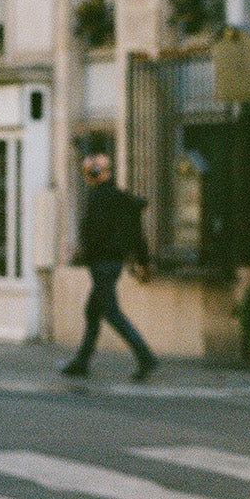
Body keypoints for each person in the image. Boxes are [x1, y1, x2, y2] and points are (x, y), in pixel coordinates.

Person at [61, 153, 158, 382]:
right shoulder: (119, 198)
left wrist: (87, 255)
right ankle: (82, 362)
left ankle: (145, 357)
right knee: (92, 311)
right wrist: (144, 262)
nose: (86, 176)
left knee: (111, 313)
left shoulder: (101, 197)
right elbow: (137, 235)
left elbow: (94, 234)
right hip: (110, 263)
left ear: (98, 174)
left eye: (89, 172)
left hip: (103, 264)